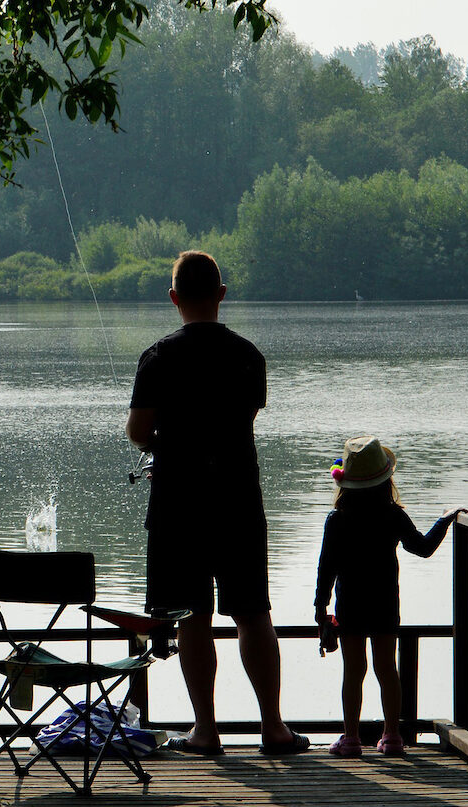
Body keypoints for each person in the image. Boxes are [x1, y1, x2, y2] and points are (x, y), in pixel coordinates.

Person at [126, 250, 308, 757]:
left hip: (179, 504)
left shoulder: (158, 357)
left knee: (193, 617)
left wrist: (161, 440)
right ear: (222, 295)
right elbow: (244, 417)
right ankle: (274, 727)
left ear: (174, 297)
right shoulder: (249, 356)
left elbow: (140, 432)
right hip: (238, 499)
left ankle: (206, 731)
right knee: (253, 613)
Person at [314, 435, 466, 757]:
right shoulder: (392, 514)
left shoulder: (337, 519)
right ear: (386, 480)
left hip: (350, 605)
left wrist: (320, 608)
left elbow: (326, 568)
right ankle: (392, 736)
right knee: (387, 669)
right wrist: (444, 518)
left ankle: (351, 738)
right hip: (384, 603)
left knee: (353, 672)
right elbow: (422, 548)